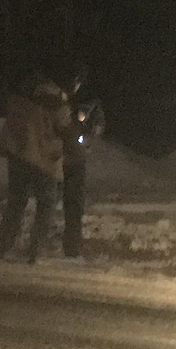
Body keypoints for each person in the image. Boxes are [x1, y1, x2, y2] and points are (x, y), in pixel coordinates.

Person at [0, 70, 69, 262]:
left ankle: (4, 246)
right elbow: (64, 128)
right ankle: (36, 250)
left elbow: (11, 124)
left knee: (16, 202)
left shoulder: (20, 97)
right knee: (46, 205)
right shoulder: (56, 102)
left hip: (19, 156)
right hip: (46, 160)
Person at [61, 66, 105, 259]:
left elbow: (98, 125)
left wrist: (87, 138)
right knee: (56, 202)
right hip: (59, 157)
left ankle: (71, 247)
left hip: (73, 158)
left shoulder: (88, 102)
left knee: (73, 204)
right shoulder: (61, 99)